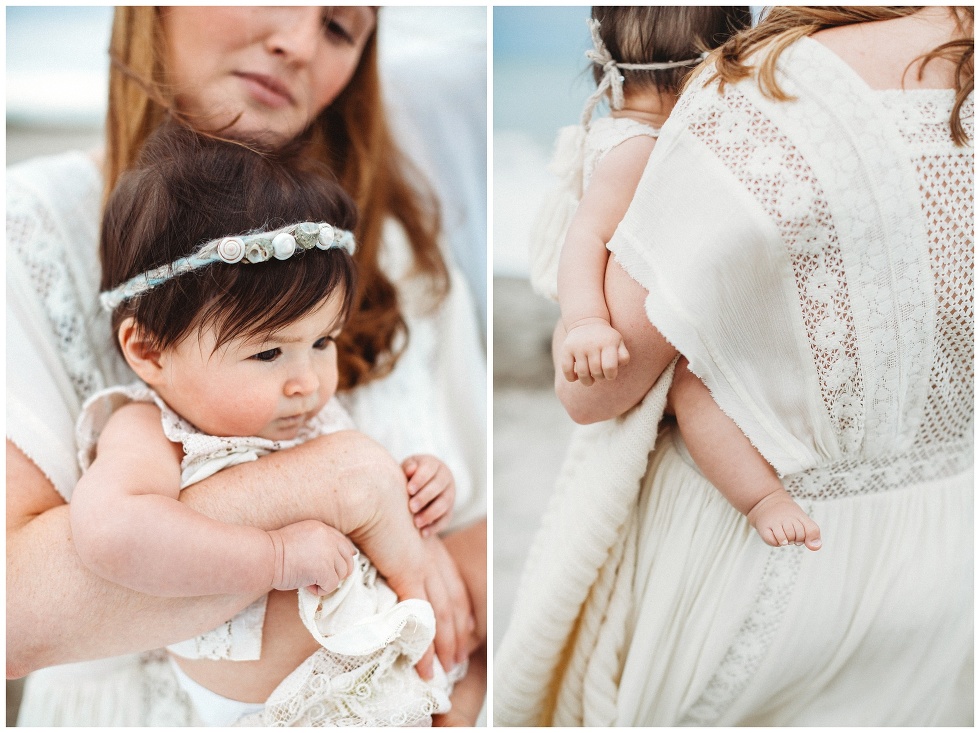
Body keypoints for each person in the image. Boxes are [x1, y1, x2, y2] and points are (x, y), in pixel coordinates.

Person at [7, 7, 487, 726]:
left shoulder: (396, 246)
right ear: (146, 348)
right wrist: (337, 485)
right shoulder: (26, 233)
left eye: (339, 28)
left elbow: (482, 536)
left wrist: (418, 493)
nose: (296, 43)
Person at [496, 5, 972, 726]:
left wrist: (593, 322)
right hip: (946, 553)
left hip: (765, 582)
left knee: (696, 381)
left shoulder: (761, 91)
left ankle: (761, 496)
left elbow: (593, 393)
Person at [69, 122, 464, 726]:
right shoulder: (149, 429)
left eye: (323, 340)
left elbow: (366, 490)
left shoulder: (303, 413)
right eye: (268, 353)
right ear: (149, 352)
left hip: (380, 677)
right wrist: (273, 558)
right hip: (274, 709)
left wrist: (418, 483)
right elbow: (109, 532)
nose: (307, 380)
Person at [531, 7, 818, 551]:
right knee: (694, 387)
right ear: (713, 69)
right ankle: (762, 499)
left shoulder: (627, 131)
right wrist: (587, 323)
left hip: (609, 324)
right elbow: (584, 239)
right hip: (603, 330)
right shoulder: (639, 150)